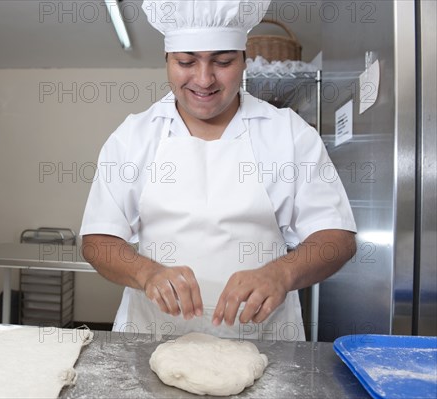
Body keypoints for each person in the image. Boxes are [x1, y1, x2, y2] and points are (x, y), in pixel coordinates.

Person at [80, 0, 357, 341]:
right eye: (186, 61)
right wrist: (146, 273)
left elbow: (336, 238)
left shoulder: (289, 133)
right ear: (167, 61)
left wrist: (282, 274)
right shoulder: (134, 137)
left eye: (222, 61)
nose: (204, 79)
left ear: (244, 60)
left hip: (265, 343)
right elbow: (98, 240)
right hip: (149, 339)